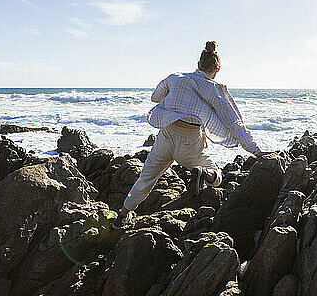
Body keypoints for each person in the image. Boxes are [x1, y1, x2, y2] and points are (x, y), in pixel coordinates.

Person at [111, 41, 266, 229]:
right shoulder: (213, 89)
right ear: (218, 69)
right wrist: (257, 152)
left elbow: (155, 97)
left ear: (198, 63)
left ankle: (123, 214)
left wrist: (174, 93)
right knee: (217, 174)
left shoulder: (175, 77)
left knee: (145, 180)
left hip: (165, 136)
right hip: (190, 144)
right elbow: (235, 124)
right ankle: (203, 174)